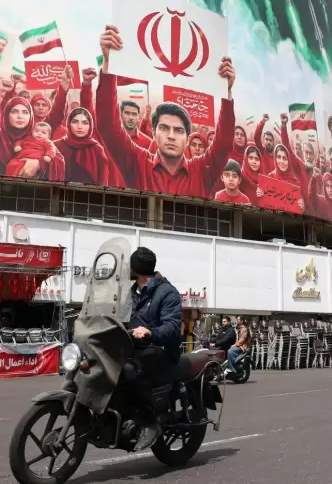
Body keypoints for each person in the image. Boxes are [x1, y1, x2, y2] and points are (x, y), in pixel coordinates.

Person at [94, 25, 237, 199]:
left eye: (178, 130)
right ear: (153, 132)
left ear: (187, 137)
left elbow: (223, 146)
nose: (171, 136)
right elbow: (108, 126)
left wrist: (226, 92)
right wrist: (109, 64)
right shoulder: (138, 163)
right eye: (164, 128)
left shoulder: (202, 170)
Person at [123, 246, 183, 450]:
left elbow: (173, 327)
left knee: (131, 369)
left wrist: (149, 331)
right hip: (135, 347)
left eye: (130, 265)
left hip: (162, 350)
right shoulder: (132, 292)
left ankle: (150, 422)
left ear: (137, 269)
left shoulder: (167, 292)